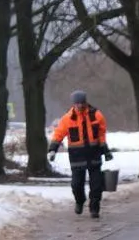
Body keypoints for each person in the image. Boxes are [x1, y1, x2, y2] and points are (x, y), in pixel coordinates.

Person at [48, 90, 114, 218]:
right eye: (77, 103)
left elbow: (101, 134)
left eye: (81, 103)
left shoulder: (96, 115)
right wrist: (52, 149)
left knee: (96, 185)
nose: (79, 106)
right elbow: (58, 134)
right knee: (76, 185)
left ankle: (94, 208)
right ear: (74, 104)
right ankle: (80, 200)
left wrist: (105, 150)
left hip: (94, 155)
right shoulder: (67, 118)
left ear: (85, 102)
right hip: (77, 157)